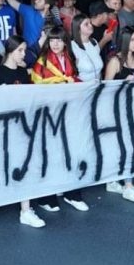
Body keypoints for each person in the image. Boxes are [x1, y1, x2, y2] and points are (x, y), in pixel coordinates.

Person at [0, 35, 46, 228]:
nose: (24, 54)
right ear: (10, 51)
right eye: (20, 50)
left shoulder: (22, 72)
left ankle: (25, 210)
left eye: (24, 50)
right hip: (3, 128)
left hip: (21, 126)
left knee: (24, 164)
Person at [30, 26, 89, 212]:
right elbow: (36, 90)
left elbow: (73, 80)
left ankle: (72, 193)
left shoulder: (70, 59)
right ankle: (46, 196)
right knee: (51, 154)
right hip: (50, 115)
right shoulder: (41, 62)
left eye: (59, 40)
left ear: (65, 42)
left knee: (71, 152)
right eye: (52, 40)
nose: (55, 44)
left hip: (70, 113)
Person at [103, 26, 134, 202]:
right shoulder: (115, 61)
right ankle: (128, 186)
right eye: (133, 39)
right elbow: (106, 88)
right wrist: (123, 83)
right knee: (128, 146)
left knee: (128, 146)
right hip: (118, 110)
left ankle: (113, 180)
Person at [70, 14, 103, 82]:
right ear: (78, 28)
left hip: (97, 84)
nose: (90, 25)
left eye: (90, 23)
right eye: (86, 24)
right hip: (82, 85)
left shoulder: (94, 42)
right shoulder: (73, 46)